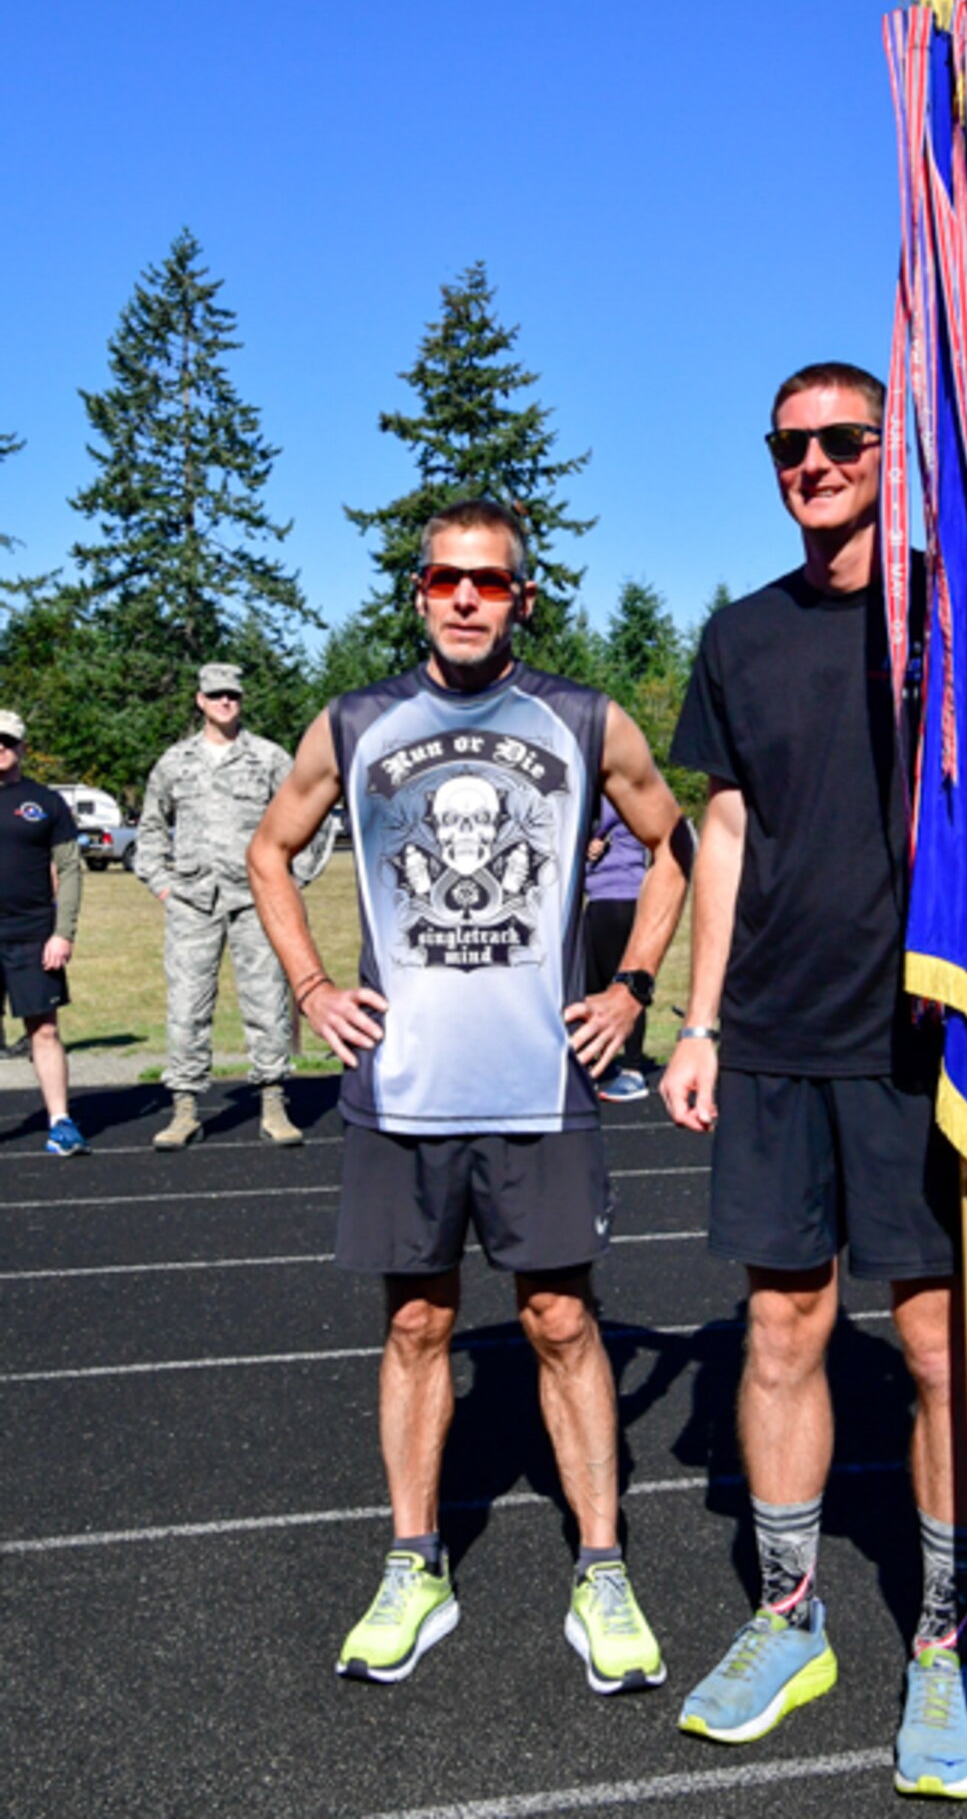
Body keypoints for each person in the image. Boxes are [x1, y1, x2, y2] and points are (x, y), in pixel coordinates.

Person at [248, 498, 692, 1694]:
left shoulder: (582, 716)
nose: (461, 598)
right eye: (443, 578)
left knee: (560, 1322)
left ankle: (601, 1567)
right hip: (402, 1088)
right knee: (416, 1326)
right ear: (416, 591)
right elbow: (267, 848)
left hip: (541, 1086)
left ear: (522, 598)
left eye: (486, 582)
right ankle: (413, 1562)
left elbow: (674, 838)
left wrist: (634, 986)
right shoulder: (353, 721)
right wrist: (310, 983)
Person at [662, 363, 967, 1798]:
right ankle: (790, 1617)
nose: (813, 462)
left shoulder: (950, 614)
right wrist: (696, 1024)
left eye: (842, 441)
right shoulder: (739, 637)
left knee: (936, 1347)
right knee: (783, 1332)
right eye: (791, 446)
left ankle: (942, 1636)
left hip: (916, 1039)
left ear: (888, 451)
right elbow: (724, 831)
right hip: (777, 1038)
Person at [135, 664, 331, 1149]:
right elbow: (151, 830)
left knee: (267, 1001)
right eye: (216, 695)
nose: (226, 702)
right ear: (200, 700)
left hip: (255, 902)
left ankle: (272, 1101)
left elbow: (315, 818)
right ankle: (184, 1107)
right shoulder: (175, 762)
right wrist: (163, 885)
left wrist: (290, 880)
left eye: (233, 696)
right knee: (187, 1006)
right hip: (192, 902)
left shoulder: (268, 758)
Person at [0, 709, 87, 1155]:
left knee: (44, 1030)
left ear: (22, 748)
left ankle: (61, 1123)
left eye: (7, 742)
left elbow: (70, 869)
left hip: (33, 934)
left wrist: (63, 932)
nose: (0, 748)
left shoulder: (47, 803)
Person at [584, 795, 652, 1101]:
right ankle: (604, 1060)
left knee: (624, 983)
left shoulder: (615, 792)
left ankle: (633, 1069)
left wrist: (591, 839)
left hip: (621, 896)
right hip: (598, 898)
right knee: (591, 985)